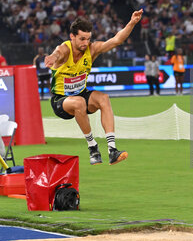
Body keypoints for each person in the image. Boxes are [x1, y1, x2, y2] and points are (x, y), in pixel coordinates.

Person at [44, 9, 143, 165]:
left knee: (103, 98)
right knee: (79, 102)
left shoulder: (91, 49)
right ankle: (93, 147)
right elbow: (57, 53)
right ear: (72, 37)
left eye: (88, 38)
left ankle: (112, 150)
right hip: (61, 101)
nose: (85, 43)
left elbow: (116, 40)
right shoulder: (64, 49)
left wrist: (132, 23)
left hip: (81, 94)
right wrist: (51, 57)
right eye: (82, 39)